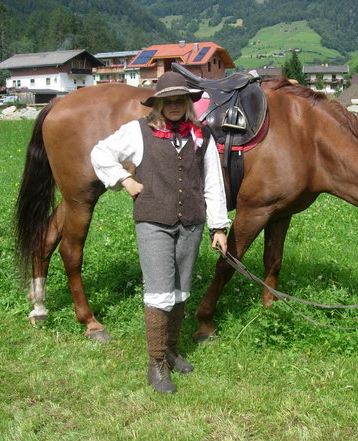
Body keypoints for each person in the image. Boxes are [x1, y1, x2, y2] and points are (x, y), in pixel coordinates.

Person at [90, 72, 231, 394]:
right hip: (153, 221)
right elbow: (100, 152)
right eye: (168, 101)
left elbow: (212, 183)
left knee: (180, 290)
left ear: (188, 103)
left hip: (192, 222)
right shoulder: (139, 132)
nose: (174, 106)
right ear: (158, 104)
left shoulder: (202, 135)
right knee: (158, 291)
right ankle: (155, 364)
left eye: (180, 100)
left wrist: (219, 227)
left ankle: (170, 350)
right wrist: (123, 180)